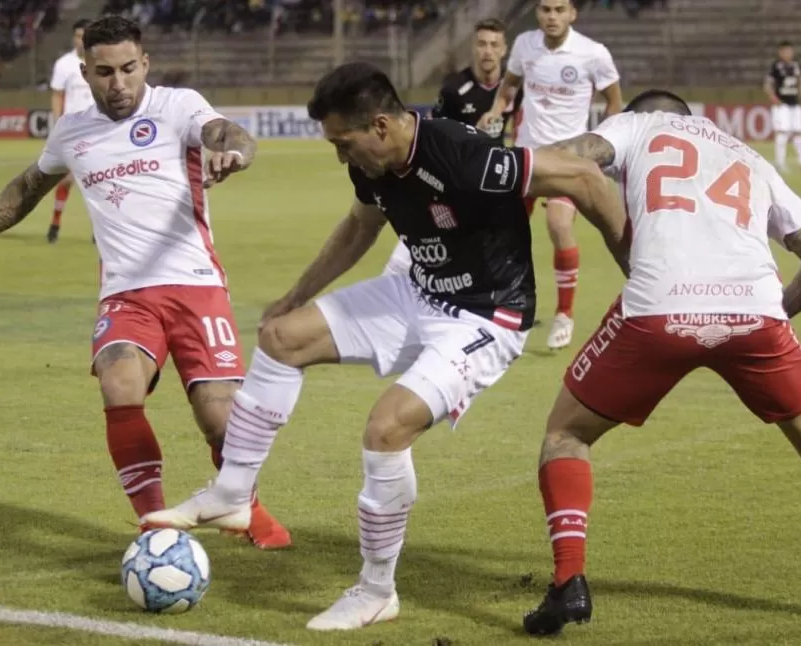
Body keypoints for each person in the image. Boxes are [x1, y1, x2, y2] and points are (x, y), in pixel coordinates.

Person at [141, 61, 628, 631]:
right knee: (281, 337)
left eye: (344, 144)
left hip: (487, 318)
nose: (340, 157)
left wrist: (639, 274)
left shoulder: (460, 154)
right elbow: (359, 227)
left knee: (386, 430)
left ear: (379, 126)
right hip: (416, 292)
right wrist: (295, 295)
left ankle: (376, 591)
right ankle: (232, 492)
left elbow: (580, 177)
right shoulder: (371, 166)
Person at [0, 15, 291, 550]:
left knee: (221, 421)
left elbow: (228, 133)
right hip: (125, 294)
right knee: (118, 384)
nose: (118, 83)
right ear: (86, 71)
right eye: (104, 72)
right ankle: (154, 525)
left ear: (144, 63)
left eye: (128, 68)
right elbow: (28, 186)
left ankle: (247, 506)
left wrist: (232, 153)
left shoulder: (178, 106)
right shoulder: (72, 131)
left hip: (196, 285)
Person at [521, 89, 801, 636]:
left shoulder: (638, 126)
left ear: (645, 112)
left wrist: (509, 179)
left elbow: (573, 155)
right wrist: (766, 315)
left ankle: (569, 582)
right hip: (754, 313)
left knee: (566, 435)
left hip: (660, 308)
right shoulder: (749, 156)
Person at [479, 0, 623, 349]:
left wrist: (600, 144)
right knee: (501, 232)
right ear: (538, 14)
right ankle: (498, 305)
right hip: (526, 156)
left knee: (559, 225)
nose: (552, 16)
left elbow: (615, 102)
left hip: (566, 159)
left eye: (559, 9)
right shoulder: (525, 45)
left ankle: (564, 315)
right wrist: (497, 109)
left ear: (572, 14)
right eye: (545, 9)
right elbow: (509, 86)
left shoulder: (593, 53)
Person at [381, 17, 517, 278]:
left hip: (488, 184)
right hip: (448, 182)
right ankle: (390, 282)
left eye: (493, 44)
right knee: (424, 243)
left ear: (503, 49)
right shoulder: (454, 88)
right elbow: (430, 134)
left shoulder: (514, 88)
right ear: (473, 48)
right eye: (481, 44)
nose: (487, 50)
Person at [46, 19, 95, 244]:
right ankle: (55, 222)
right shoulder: (64, 64)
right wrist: (58, 126)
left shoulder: (102, 60)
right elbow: (57, 95)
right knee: (66, 179)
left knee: (100, 181)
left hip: (100, 130)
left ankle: (99, 231)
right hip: (73, 130)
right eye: (77, 36)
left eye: (83, 36)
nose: (80, 40)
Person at [764, 40, 801, 174]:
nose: (788, 53)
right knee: (782, 133)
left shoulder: (797, 65)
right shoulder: (776, 66)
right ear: (780, 52)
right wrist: (773, 98)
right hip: (781, 105)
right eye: (785, 51)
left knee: (799, 133)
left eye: (790, 50)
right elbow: (767, 84)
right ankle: (780, 163)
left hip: (795, 104)